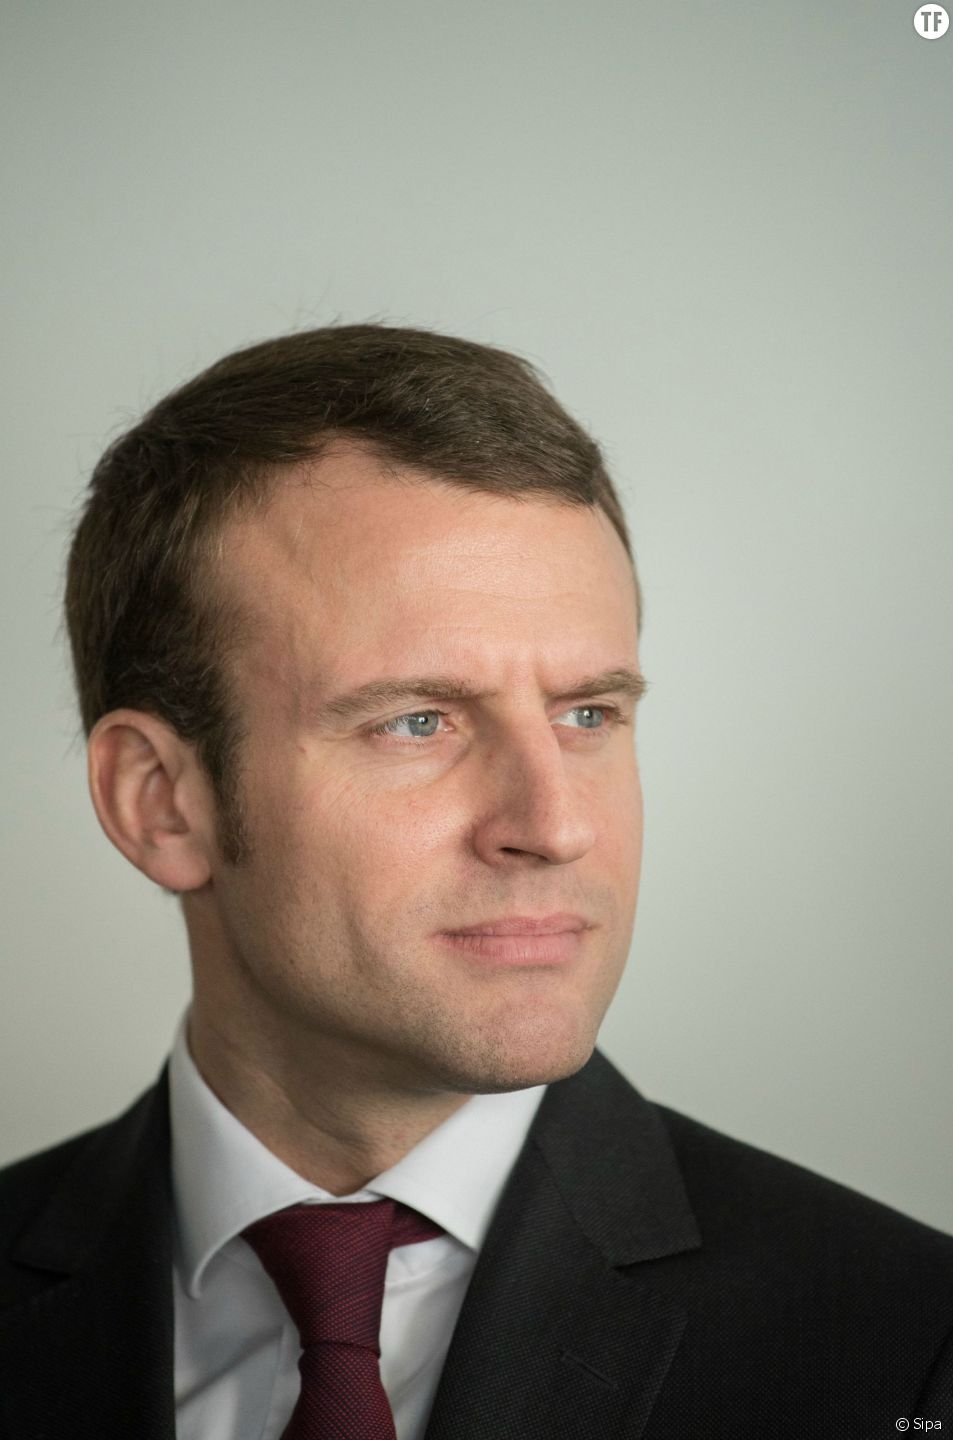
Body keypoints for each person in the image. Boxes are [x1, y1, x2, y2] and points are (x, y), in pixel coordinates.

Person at [0, 324, 950, 1440]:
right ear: (161, 801)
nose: (555, 826)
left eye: (586, 713)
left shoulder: (909, 1353)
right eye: (417, 722)